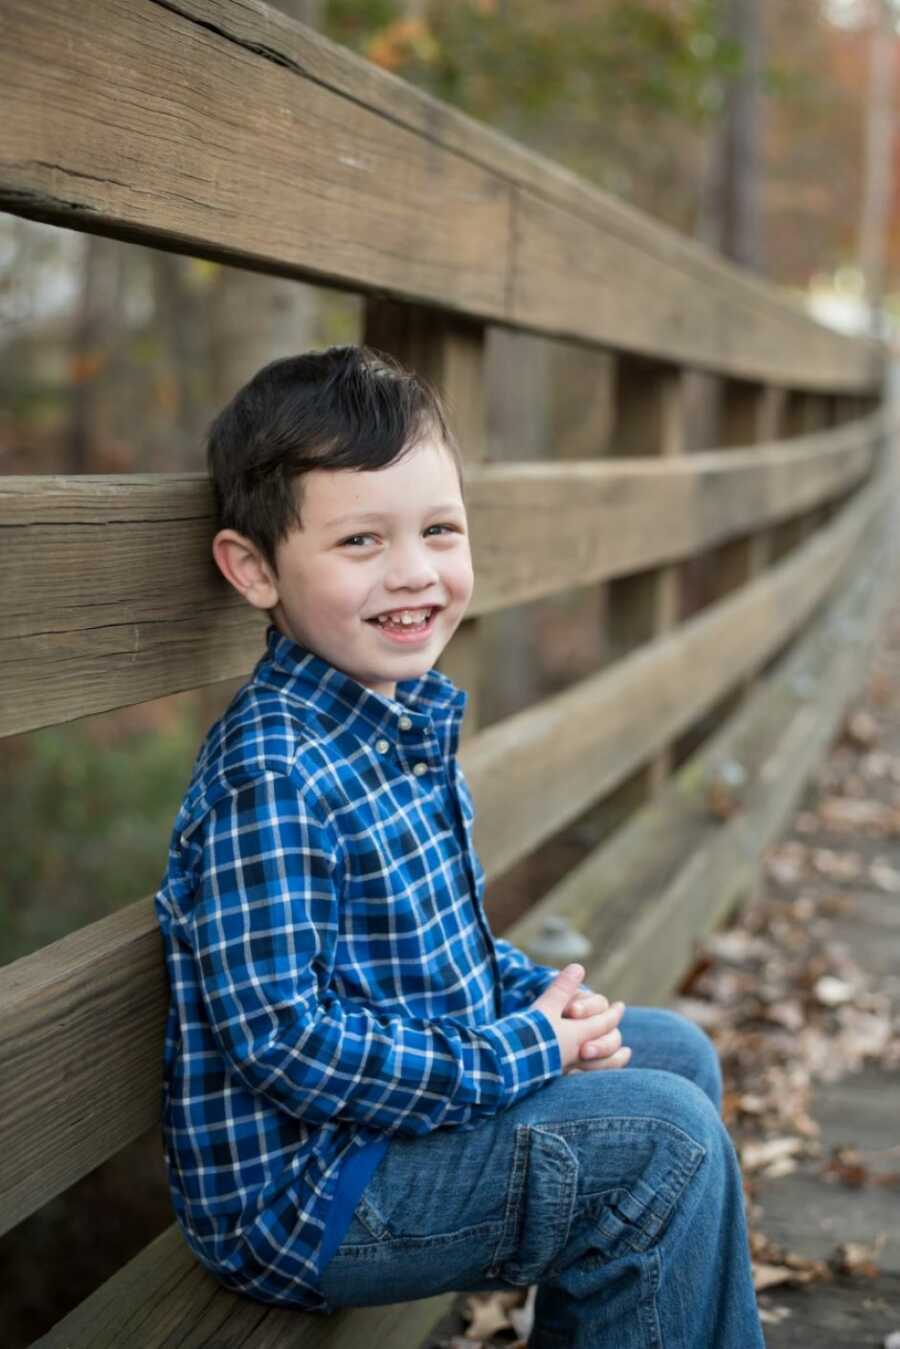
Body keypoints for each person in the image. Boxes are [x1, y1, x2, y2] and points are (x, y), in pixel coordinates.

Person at [154, 345, 765, 1348]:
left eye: (440, 528)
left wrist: (537, 999)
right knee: (663, 1141)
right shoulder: (274, 772)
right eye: (361, 540)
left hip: (387, 1126)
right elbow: (286, 1041)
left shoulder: (391, 720)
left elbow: (438, 953)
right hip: (310, 1190)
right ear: (253, 567)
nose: (416, 572)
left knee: (674, 1056)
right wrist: (522, 1047)